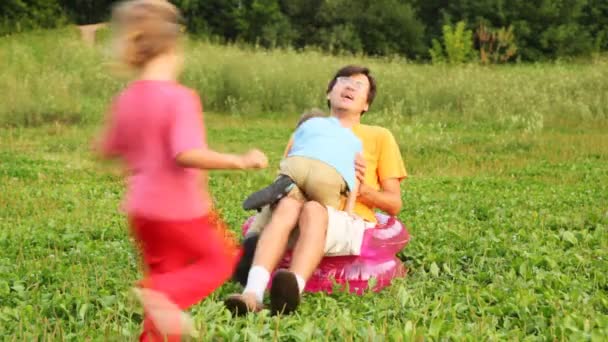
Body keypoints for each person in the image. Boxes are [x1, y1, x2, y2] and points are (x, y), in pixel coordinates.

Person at [93, 1, 268, 340]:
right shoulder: (179, 97)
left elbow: (107, 149)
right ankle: (159, 295)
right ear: (172, 49)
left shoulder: (126, 97)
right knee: (219, 262)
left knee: (165, 289)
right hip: (180, 210)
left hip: (142, 212)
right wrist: (240, 160)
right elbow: (186, 153)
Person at [225, 65, 407, 316]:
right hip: (295, 214)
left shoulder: (378, 136)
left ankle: (292, 291)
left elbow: (394, 204)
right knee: (289, 204)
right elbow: (291, 178)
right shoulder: (307, 130)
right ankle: (252, 294)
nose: (350, 86)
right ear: (329, 93)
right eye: (343, 81)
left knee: (313, 209)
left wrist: (359, 187)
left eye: (359, 85)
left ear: (366, 105)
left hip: (346, 220)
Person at [242, 107, 362, 236]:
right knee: (324, 218)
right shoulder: (346, 138)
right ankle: (290, 190)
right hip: (326, 180)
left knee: (276, 201)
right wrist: (348, 211)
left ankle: (254, 233)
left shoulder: (299, 139)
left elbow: (285, 164)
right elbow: (355, 177)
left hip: (295, 169)